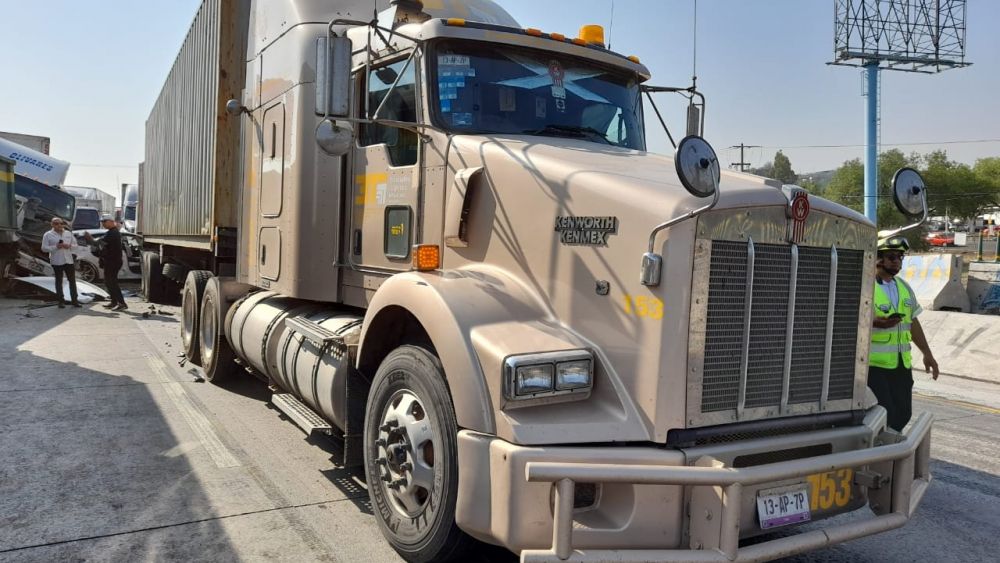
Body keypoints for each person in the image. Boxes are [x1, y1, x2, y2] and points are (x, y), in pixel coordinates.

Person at [868, 235, 939, 432]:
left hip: (900, 364)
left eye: (900, 257)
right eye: (892, 257)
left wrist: (927, 353)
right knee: (884, 413)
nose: (897, 261)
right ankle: (881, 455)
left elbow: (912, 322)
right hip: (873, 366)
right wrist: (875, 323)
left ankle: (888, 452)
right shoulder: (864, 286)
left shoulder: (904, 287)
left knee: (903, 413)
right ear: (877, 258)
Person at [85, 215, 127, 311]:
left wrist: (89, 237)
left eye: (104, 221)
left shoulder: (113, 233)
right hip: (110, 261)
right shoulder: (110, 232)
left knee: (112, 282)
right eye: (102, 222)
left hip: (113, 261)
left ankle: (121, 303)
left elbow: (96, 243)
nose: (103, 224)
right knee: (108, 282)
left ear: (111, 221)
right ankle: (114, 301)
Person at [40, 218, 81, 308]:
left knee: (72, 281)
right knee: (59, 281)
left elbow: (76, 246)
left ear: (63, 224)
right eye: (56, 223)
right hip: (57, 261)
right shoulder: (48, 235)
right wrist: (56, 246)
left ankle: (75, 301)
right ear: (52, 224)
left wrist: (69, 246)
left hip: (68, 260)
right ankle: (61, 301)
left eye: (60, 223)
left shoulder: (68, 233)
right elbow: (44, 248)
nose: (59, 225)